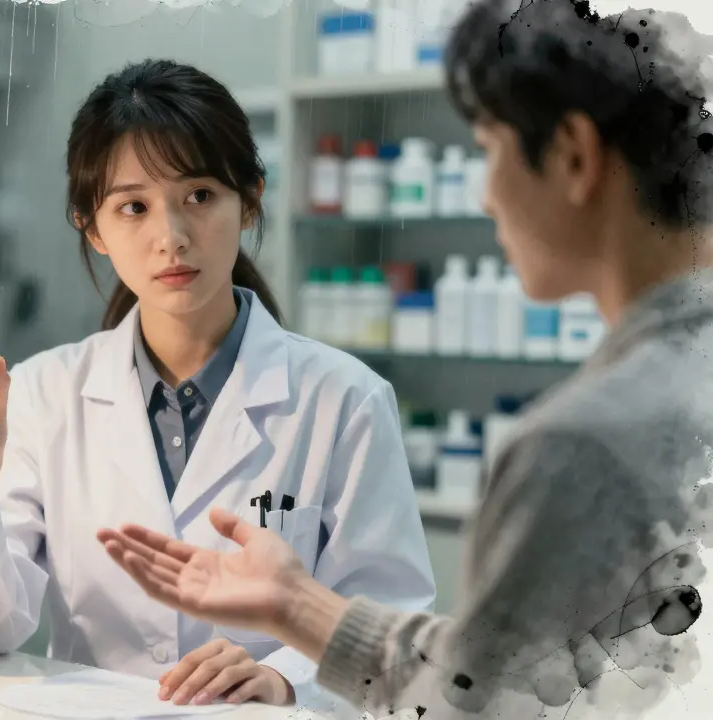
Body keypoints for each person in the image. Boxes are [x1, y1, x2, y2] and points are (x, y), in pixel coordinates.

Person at [99, 2, 713, 716]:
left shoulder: (582, 444)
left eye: (488, 149)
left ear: (573, 156)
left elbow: (489, 704)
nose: (483, 194)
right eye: (132, 206)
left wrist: (294, 639)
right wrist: (299, 605)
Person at [0, 59, 436, 709]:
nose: (171, 238)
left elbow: (394, 644)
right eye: (134, 206)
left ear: (250, 201)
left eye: (200, 197)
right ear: (93, 226)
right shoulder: (46, 393)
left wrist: (285, 681)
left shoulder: (344, 401)